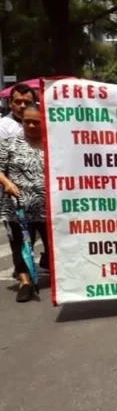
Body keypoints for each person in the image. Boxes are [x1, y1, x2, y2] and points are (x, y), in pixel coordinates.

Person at [0, 104, 48, 303]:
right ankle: (25, 282)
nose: (30, 125)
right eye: (26, 121)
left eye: (35, 122)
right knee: (20, 247)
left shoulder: (51, 143)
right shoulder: (9, 143)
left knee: (54, 247)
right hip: (17, 206)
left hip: (48, 208)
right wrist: (7, 183)